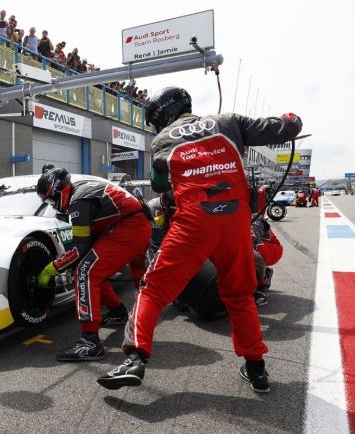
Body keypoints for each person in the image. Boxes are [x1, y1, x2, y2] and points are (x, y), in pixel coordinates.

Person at [97, 86, 302, 393]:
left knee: (153, 291)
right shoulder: (228, 121)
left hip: (194, 218)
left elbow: (159, 183)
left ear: (162, 115)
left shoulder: (163, 140)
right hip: (235, 218)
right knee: (240, 296)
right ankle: (257, 370)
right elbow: (287, 126)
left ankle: (135, 358)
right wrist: (292, 119)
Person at [36, 168, 152, 361]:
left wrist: (52, 267)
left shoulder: (79, 202)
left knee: (84, 270)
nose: (53, 205)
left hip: (129, 227)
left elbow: (79, 249)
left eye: (50, 200)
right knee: (92, 267)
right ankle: (117, 312)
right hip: (133, 224)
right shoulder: (81, 191)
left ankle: (90, 342)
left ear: (58, 191)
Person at [251, 214, 283, 307]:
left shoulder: (253, 216)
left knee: (245, 246)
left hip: (271, 248)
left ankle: (261, 284)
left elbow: (253, 234)